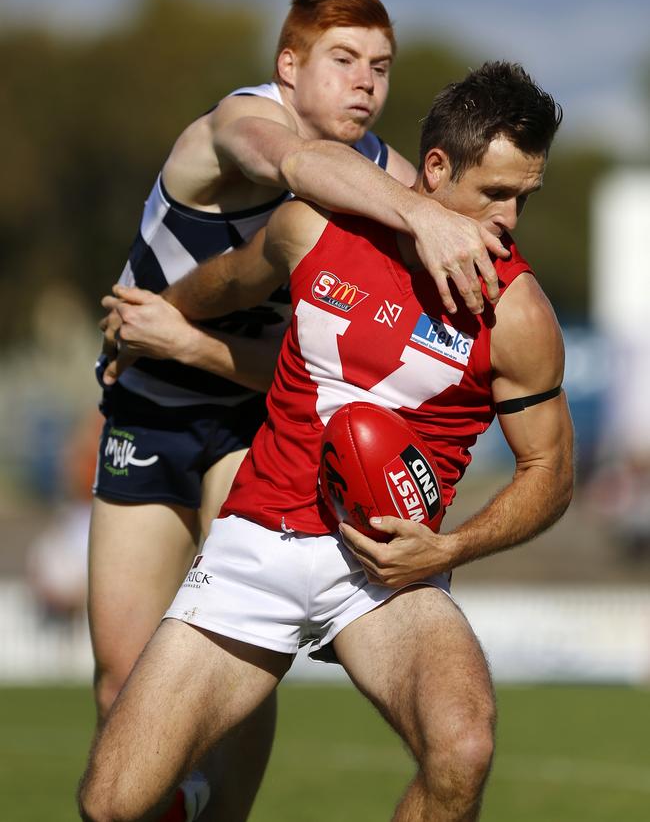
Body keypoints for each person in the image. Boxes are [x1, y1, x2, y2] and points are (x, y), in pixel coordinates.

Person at [80, 61, 574, 822]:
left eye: (523, 198)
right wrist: (157, 320)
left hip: (387, 572)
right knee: (112, 801)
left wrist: (447, 550)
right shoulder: (312, 229)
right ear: (435, 171)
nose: (509, 218)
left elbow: (551, 472)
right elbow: (229, 280)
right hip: (258, 544)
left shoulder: (517, 310)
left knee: (462, 748)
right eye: (495, 193)